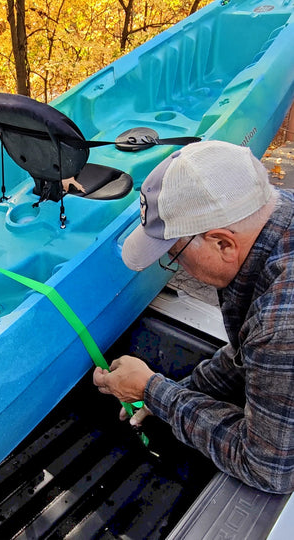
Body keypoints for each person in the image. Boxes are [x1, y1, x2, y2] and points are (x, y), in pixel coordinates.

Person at [93, 140, 294, 494]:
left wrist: (151, 389)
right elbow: (246, 353)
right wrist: (168, 397)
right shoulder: (278, 216)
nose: (174, 266)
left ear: (222, 244)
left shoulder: (280, 323)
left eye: (174, 254)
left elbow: (268, 468)